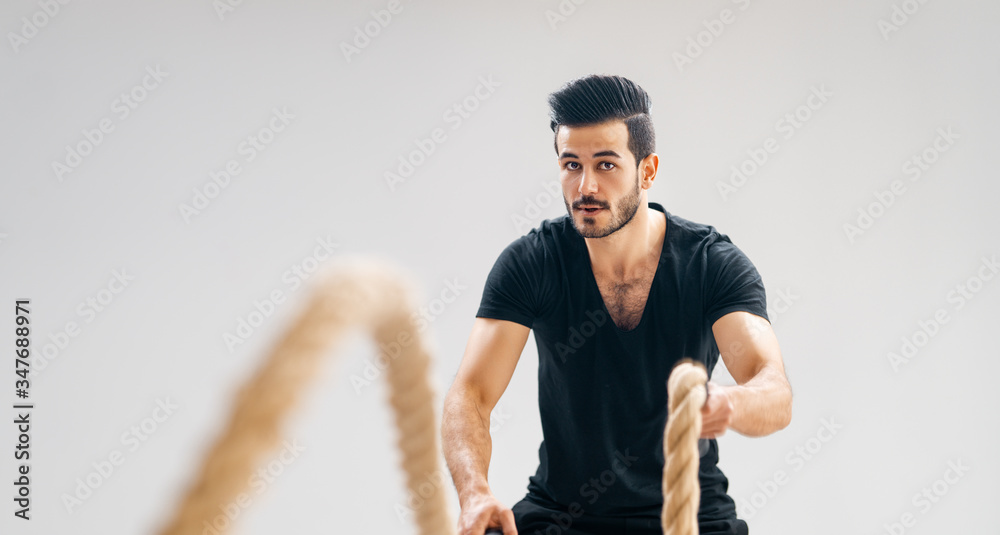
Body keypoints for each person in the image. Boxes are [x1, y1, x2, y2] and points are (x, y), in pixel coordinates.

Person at [441, 74, 792, 535]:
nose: (585, 186)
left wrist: (730, 403)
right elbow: (471, 395)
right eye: (571, 165)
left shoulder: (711, 264)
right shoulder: (533, 262)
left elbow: (774, 390)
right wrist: (474, 493)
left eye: (606, 165)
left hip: (691, 518)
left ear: (647, 170)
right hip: (562, 516)